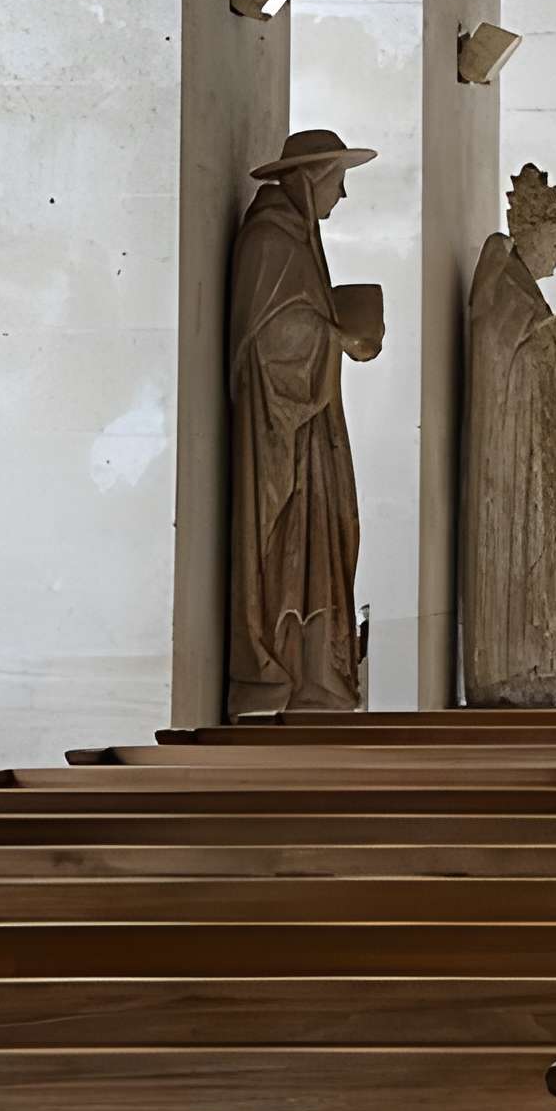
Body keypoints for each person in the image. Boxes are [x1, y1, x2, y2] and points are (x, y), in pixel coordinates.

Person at [228, 128, 380, 714]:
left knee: (324, 539)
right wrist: (335, 335)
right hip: (287, 431)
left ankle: (318, 673)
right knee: (295, 542)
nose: (341, 198)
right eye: (338, 183)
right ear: (311, 180)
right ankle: (294, 668)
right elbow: (265, 344)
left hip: (313, 426)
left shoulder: (296, 242)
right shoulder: (271, 241)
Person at [462, 164, 556, 706]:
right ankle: (520, 663)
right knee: (529, 555)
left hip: (542, 456)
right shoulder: (503, 287)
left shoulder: (525, 295)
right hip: (517, 467)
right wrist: (549, 342)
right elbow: (498, 355)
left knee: (549, 550)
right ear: (531, 235)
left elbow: (543, 369)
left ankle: (542, 662)